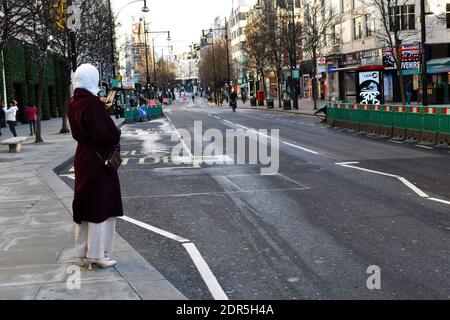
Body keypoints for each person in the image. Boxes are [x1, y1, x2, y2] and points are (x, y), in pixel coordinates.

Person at [67, 64, 123, 269]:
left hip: (83, 156)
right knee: (101, 205)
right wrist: (114, 131)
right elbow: (106, 133)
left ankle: (83, 252)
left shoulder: (73, 101)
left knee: (84, 204)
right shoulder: (92, 103)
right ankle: (98, 254)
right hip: (99, 161)